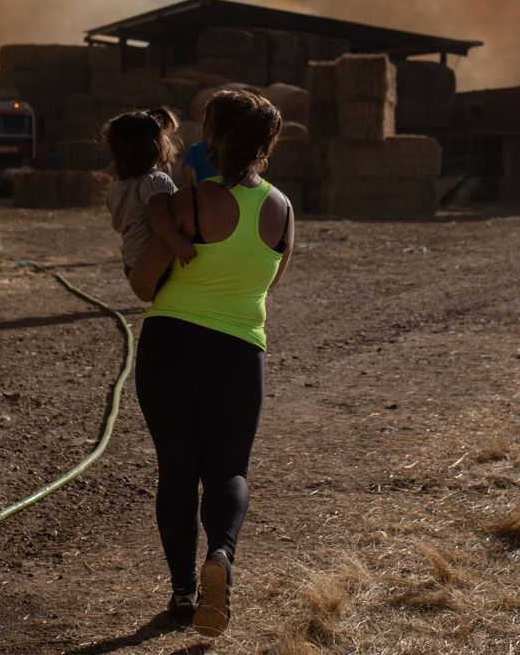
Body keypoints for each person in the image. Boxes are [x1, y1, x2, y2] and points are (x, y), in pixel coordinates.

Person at [129, 90, 294, 636]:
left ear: (216, 140)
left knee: (178, 470)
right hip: (238, 351)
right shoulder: (281, 209)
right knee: (228, 470)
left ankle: (182, 595)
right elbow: (269, 281)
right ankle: (221, 556)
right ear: (268, 144)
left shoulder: (189, 202)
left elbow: (143, 284)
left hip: (170, 344)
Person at [104, 107, 197, 296]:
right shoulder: (156, 181)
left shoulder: (117, 188)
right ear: (159, 146)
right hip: (154, 263)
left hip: (130, 262)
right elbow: (158, 214)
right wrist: (178, 243)